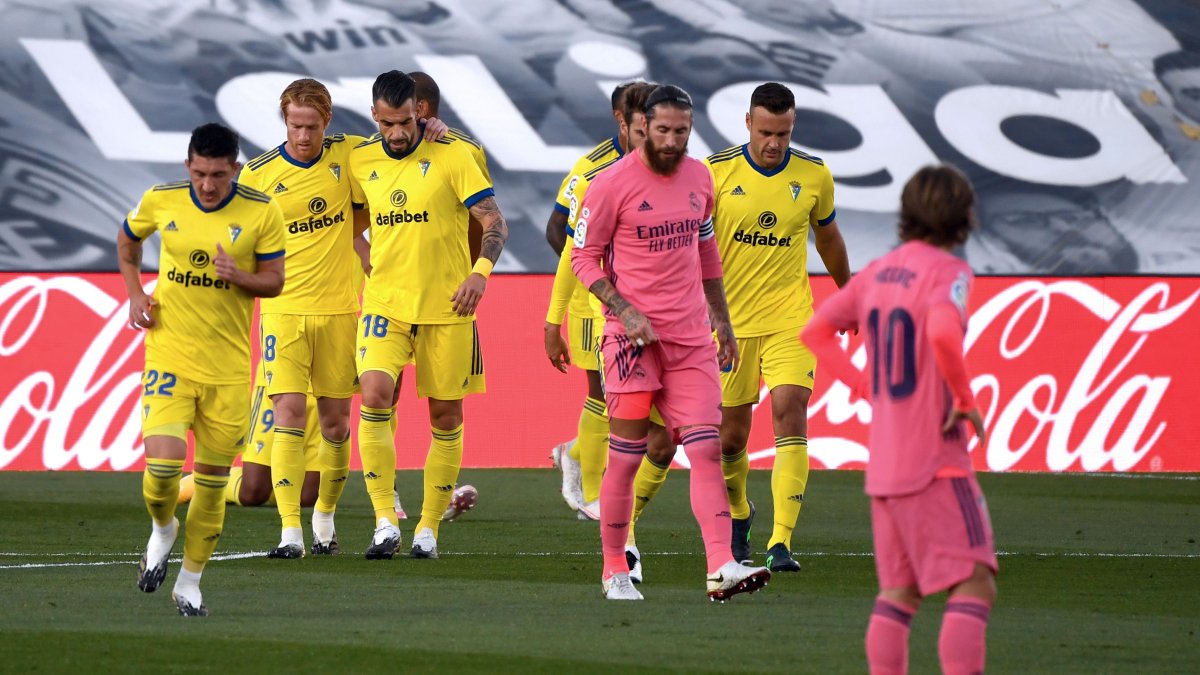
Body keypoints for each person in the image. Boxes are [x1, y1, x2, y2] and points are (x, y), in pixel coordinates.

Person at [572, 84, 770, 601]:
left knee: (706, 449)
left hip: (689, 339)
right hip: (631, 341)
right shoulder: (610, 184)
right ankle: (615, 567)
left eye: (682, 131)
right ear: (642, 126)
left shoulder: (701, 178)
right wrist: (625, 311)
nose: (672, 139)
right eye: (663, 130)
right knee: (628, 457)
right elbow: (582, 259)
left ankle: (721, 565)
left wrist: (721, 321)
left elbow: (707, 253)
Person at [801, 164, 996, 675]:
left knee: (899, 593)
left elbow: (816, 332)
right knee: (975, 581)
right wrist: (964, 395)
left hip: (885, 462)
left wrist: (866, 387)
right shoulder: (949, 272)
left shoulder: (880, 272)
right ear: (962, 216)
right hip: (935, 459)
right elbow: (941, 332)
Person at [118, 122, 285, 615]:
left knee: (212, 485)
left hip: (229, 370)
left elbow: (275, 281)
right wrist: (134, 293)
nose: (207, 185)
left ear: (235, 168)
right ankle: (162, 528)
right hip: (169, 354)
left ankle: (190, 581)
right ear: (187, 166)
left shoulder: (261, 211)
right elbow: (128, 243)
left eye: (217, 174)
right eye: (198, 174)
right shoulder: (161, 200)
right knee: (163, 471)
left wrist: (241, 276)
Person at [350, 70, 508, 560]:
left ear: (421, 112)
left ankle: (428, 529)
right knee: (374, 394)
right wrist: (362, 250)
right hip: (385, 304)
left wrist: (480, 273)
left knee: (445, 415)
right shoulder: (359, 158)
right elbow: (355, 216)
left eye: (405, 121)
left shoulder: (453, 153)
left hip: (447, 305)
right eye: (387, 123)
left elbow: (494, 221)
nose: (397, 133)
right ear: (375, 116)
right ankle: (383, 522)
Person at [543, 80, 641, 521]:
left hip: (641, 303)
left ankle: (574, 452)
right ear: (622, 121)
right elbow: (558, 234)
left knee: (632, 401)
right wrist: (588, 279)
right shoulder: (592, 170)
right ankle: (597, 498)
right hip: (594, 304)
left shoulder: (665, 166)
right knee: (604, 395)